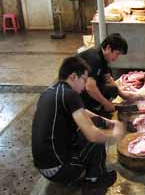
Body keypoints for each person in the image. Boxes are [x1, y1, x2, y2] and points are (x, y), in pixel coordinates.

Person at [32, 56, 124, 186]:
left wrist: (108, 122)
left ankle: (90, 172)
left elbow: (83, 112)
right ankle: (95, 178)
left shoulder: (50, 91)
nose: (85, 85)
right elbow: (93, 135)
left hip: (45, 168)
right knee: (95, 132)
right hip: (61, 170)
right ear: (73, 76)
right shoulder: (71, 94)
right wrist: (116, 133)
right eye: (84, 80)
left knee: (97, 121)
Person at [77, 33, 145, 117]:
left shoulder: (103, 57)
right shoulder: (95, 58)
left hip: (83, 88)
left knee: (113, 89)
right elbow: (90, 87)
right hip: (76, 94)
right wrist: (106, 103)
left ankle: (97, 107)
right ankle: (90, 109)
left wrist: (124, 95)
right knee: (107, 93)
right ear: (108, 48)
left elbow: (108, 79)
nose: (117, 57)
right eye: (117, 53)